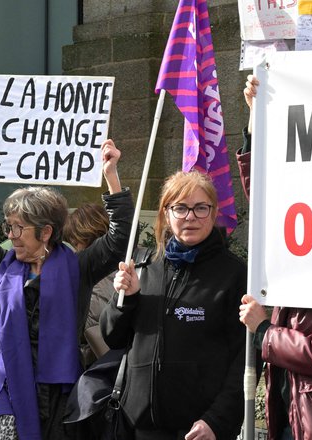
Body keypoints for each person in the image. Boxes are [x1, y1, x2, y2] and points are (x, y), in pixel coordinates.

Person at [0, 134, 134, 440]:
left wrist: (111, 175)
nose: (11, 234)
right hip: (7, 389)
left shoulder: (78, 268)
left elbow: (119, 237)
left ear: (46, 231)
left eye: (18, 227)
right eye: (9, 226)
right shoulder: (2, 264)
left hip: (60, 397)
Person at [102, 170, 246, 440]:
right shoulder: (143, 266)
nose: (190, 217)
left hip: (200, 431)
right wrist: (127, 299)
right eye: (180, 208)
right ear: (165, 214)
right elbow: (113, 337)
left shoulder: (234, 274)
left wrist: (216, 421)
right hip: (140, 426)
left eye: (200, 208)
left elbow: (244, 360)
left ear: (214, 214)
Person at [237, 74, 312, 440]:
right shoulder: (296, 231)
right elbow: (268, 203)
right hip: (290, 411)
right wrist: (258, 121)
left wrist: (264, 332)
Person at [63, 203, 116, 367]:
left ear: (85, 237)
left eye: (75, 242)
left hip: (100, 369)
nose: (75, 249)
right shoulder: (135, 261)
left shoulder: (86, 274)